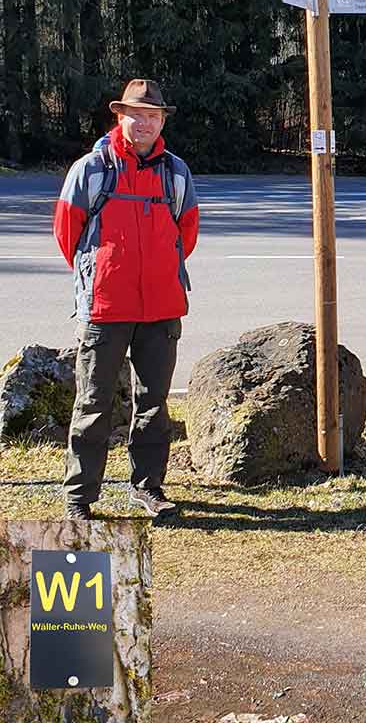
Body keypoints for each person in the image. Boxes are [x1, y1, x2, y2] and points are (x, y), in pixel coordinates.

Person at [52, 79, 200, 521]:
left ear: (161, 121)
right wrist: (102, 275)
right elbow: (67, 232)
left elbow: (185, 233)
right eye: (136, 115)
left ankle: (148, 488)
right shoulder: (92, 169)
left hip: (161, 309)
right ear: (120, 116)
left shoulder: (175, 172)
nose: (145, 123)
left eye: (153, 116)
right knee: (93, 404)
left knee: (154, 405)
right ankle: (79, 498)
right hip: (105, 309)